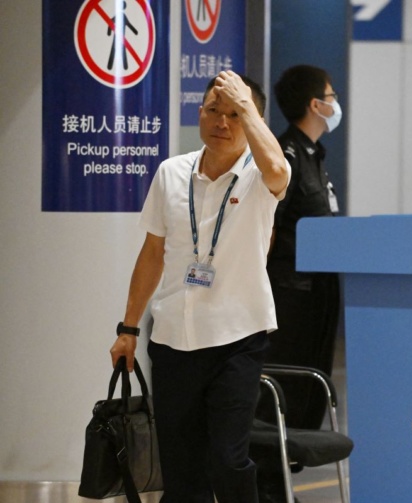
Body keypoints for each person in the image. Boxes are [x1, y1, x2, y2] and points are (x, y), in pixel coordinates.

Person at [109, 70, 290, 503]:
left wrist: (247, 106)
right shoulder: (172, 173)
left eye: (235, 114)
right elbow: (152, 255)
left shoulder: (261, 177)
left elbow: (280, 169)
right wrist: (128, 328)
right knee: (180, 468)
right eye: (213, 110)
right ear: (199, 113)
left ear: (252, 121)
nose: (222, 122)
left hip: (236, 340)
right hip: (172, 339)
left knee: (228, 461)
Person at [257, 65, 342, 502]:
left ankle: (284, 483)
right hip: (291, 300)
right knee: (283, 399)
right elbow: (268, 227)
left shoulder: (315, 155)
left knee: (307, 399)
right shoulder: (285, 155)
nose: (335, 102)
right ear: (315, 105)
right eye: (330, 95)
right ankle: (270, 487)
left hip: (318, 301)